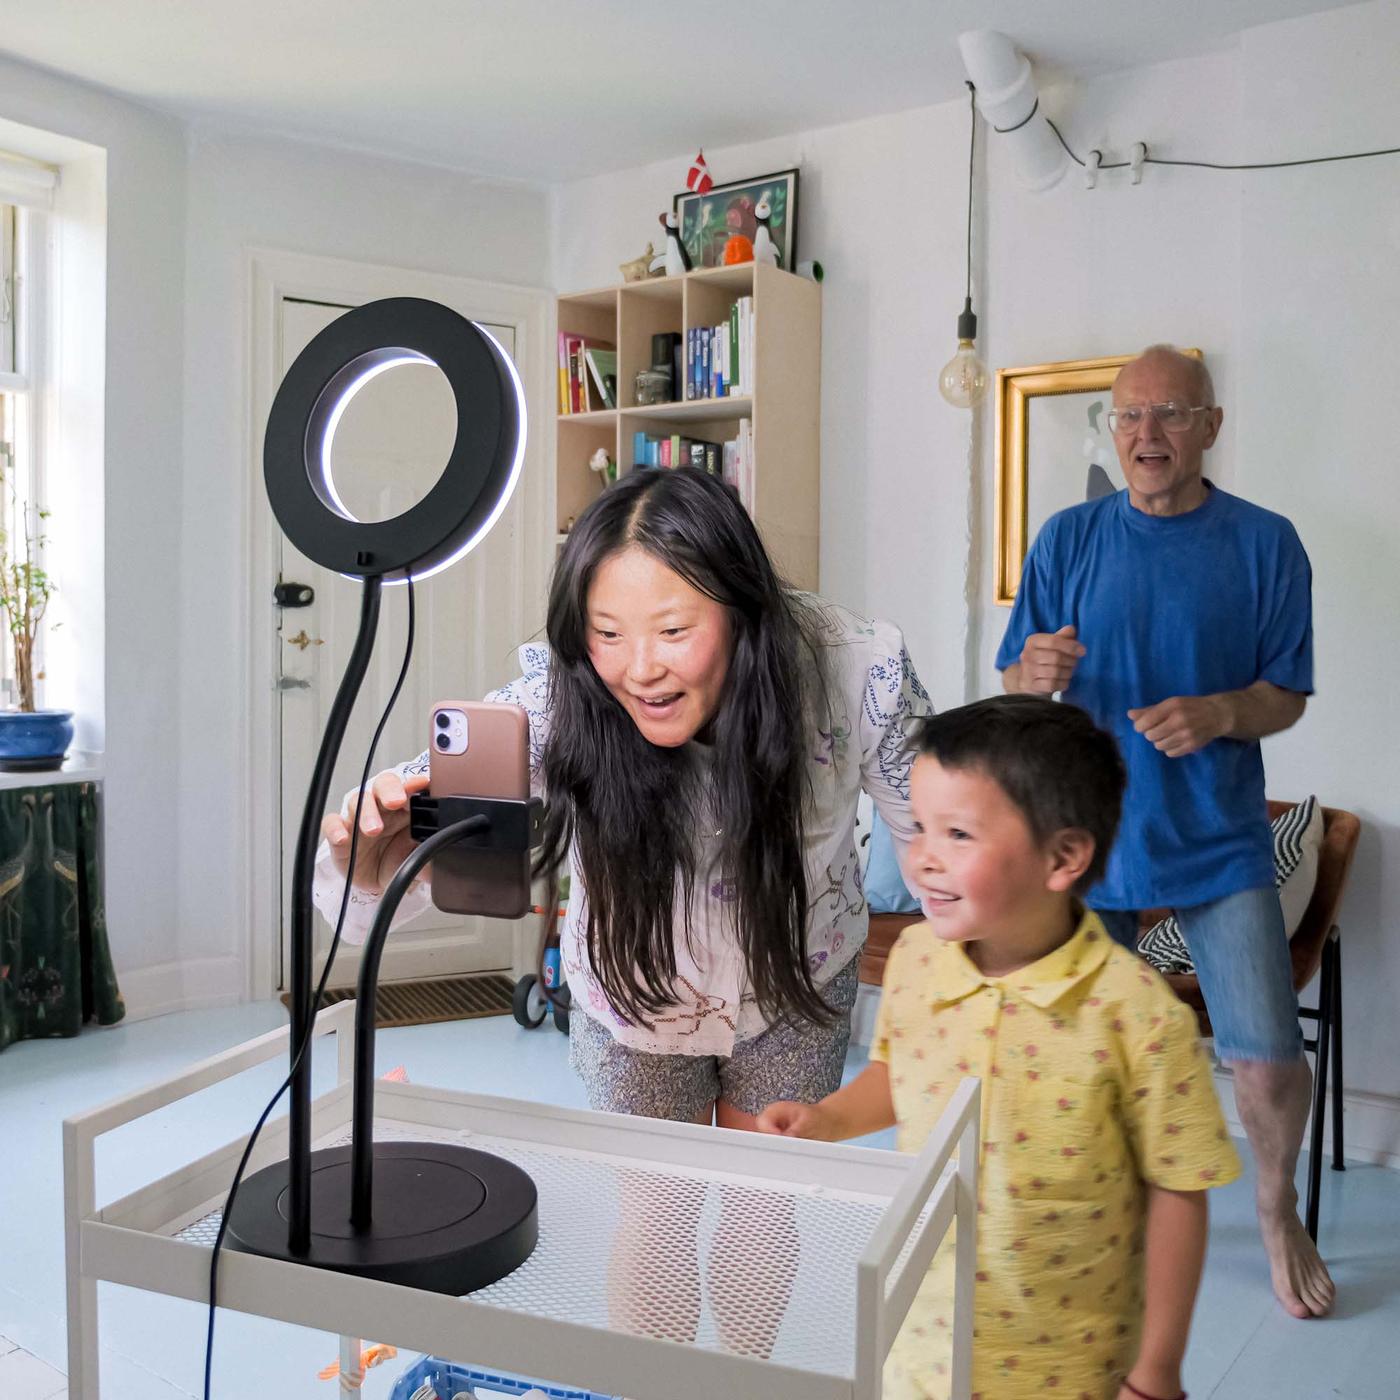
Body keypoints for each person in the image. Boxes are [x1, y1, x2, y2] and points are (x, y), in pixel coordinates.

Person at [315, 465, 931, 1347]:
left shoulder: (854, 667)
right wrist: (368, 855)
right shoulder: (560, 696)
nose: (640, 670)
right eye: (608, 633)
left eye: (675, 630)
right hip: (636, 996)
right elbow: (408, 834)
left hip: (796, 982)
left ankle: (739, 1380)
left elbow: (949, 822)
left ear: (743, 607)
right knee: (657, 1209)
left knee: (763, 1210)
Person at [760, 695, 1240, 1400]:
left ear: (1063, 856)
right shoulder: (918, 960)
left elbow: (1178, 1189)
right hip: (920, 1336)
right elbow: (903, 1074)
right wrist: (828, 1119)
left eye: (958, 834)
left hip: (1070, 1361)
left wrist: (1156, 1371)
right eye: (920, 827)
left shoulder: (1136, 1013)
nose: (923, 858)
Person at [995, 344, 1331, 1320]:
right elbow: (1014, 675)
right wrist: (1034, 673)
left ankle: (1275, 1207)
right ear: (1112, 427)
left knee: (1266, 1057)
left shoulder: (1265, 543)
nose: (1146, 434)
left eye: (1170, 414)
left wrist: (1223, 712)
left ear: (1209, 427)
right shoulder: (1065, 537)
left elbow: (1286, 695)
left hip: (1215, 837)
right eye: (1129, 416)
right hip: (1083, 837)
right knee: (1072, 1050)